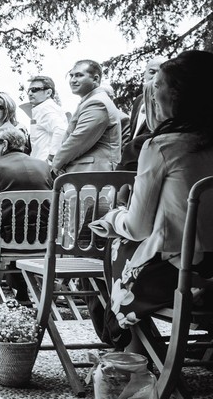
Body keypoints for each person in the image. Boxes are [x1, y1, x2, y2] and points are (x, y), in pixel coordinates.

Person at [89, 51, 213, 349]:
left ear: (176, 98)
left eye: (158, 97)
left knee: (115, 243)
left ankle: (131, 350)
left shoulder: (163, 146)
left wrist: (111, 218)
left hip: (181, 277)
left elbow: (138, 227)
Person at [0, 124, 54, 301]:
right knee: (18, 220)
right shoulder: (45, 167)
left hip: (4, 238)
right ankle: (22, 293)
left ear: (4, 144)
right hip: (43, 236)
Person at [52, 59, 122, 175]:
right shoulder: (91, 101)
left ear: (96, 79)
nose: (73, 80)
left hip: (94, 176)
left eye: (79, 76)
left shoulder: (97, 103)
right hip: (88, 175)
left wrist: (54, 165)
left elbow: (77, 141)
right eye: (71, 76)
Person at [118, 56, 168, 171]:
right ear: (144, 74)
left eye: (161, 72)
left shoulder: (167, 102)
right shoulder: (138, 101)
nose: (156, 76)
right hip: (130, 160)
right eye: (152, 71)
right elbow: (132, 133)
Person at [26, 75, 68, 163]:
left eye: (34, 90)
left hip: (43, 164)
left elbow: (61, 129)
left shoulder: (45, 108)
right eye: (29, 90)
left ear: (48, 93)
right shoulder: (44, 108)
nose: (30, 93)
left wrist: (51, 158)